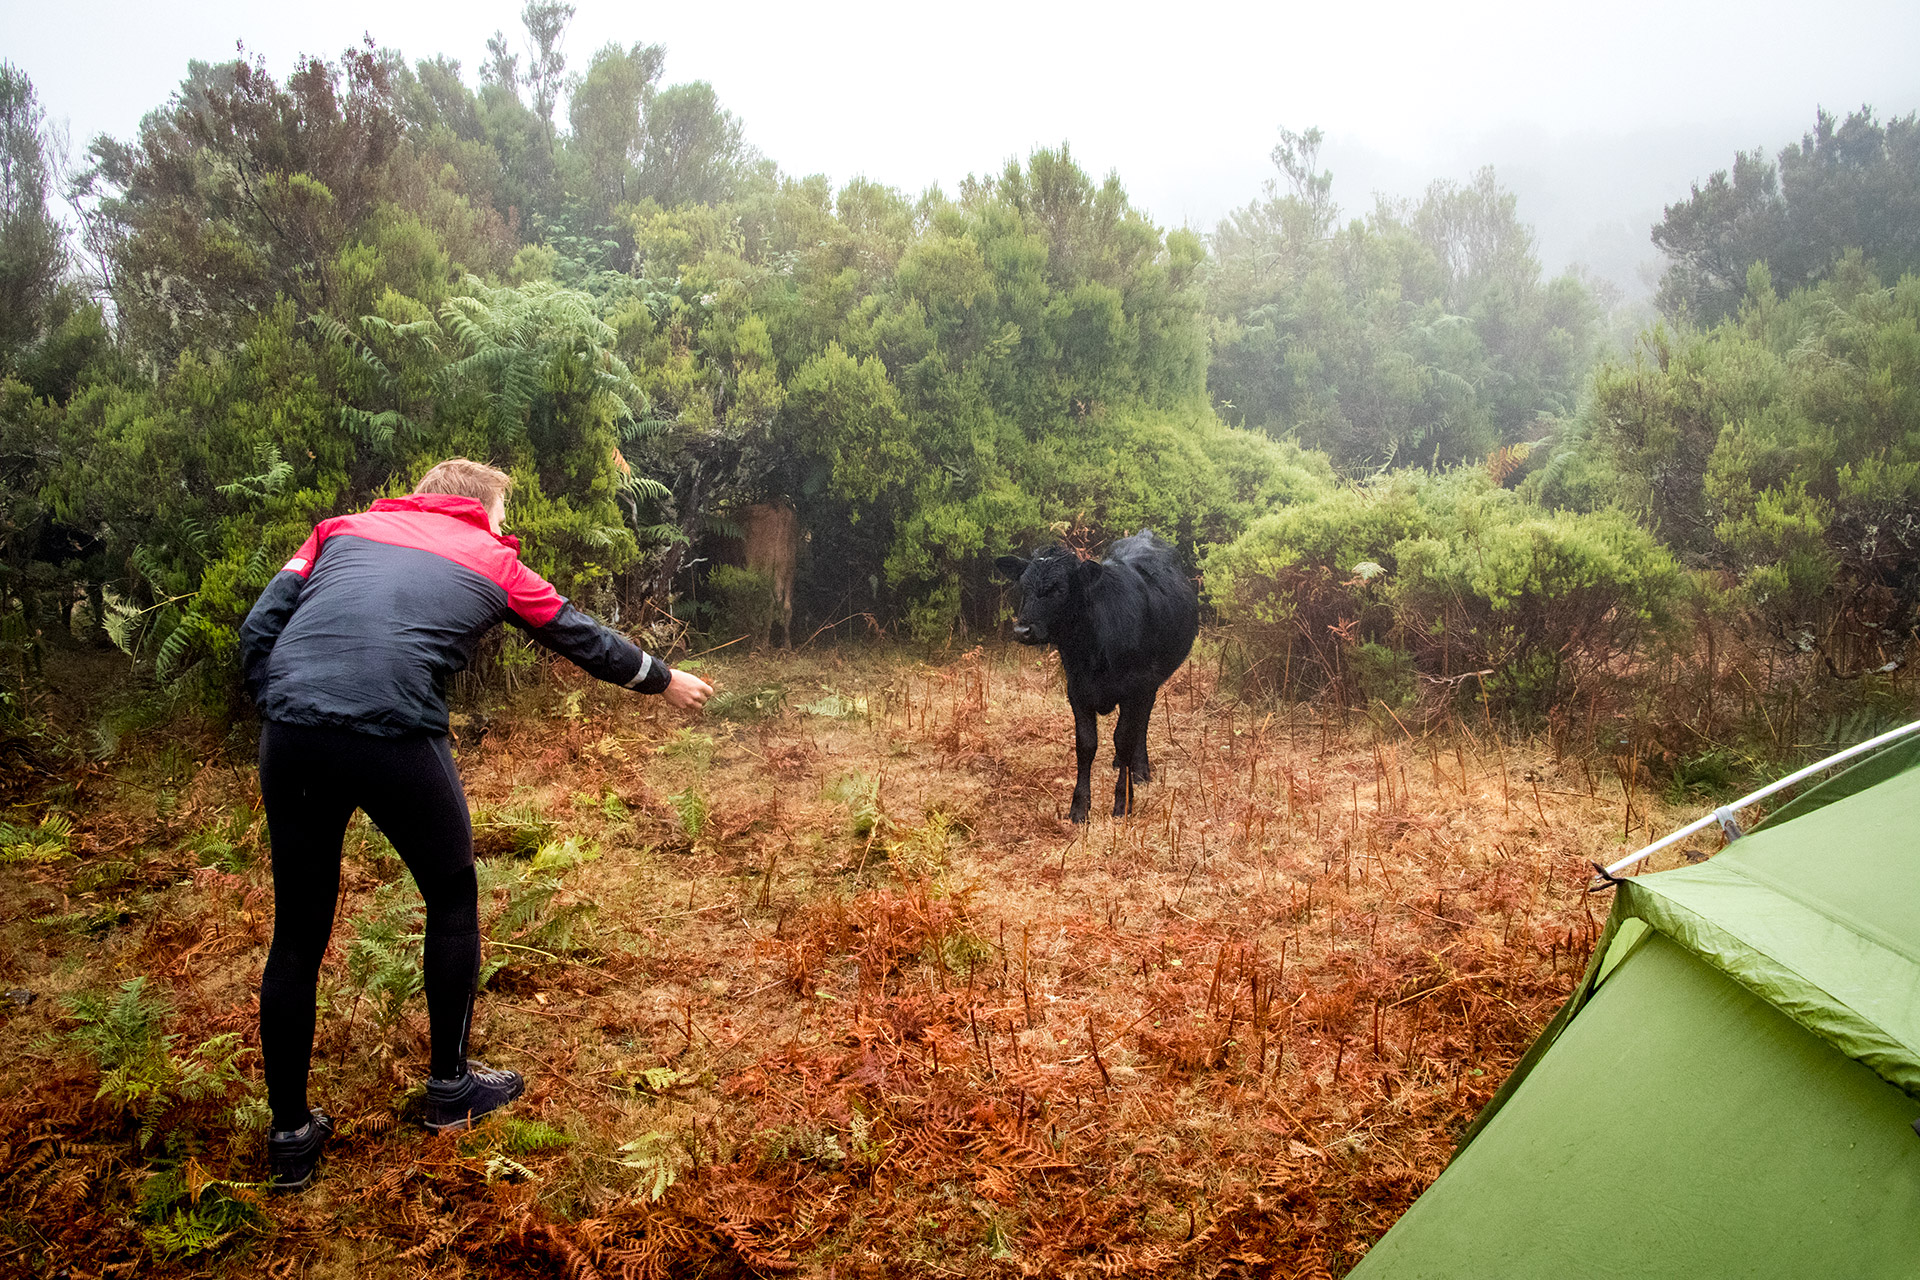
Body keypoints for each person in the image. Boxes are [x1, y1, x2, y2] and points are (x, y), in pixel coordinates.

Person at [239, 458, 711, 1192]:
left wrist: (286, 702)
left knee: (298, 932)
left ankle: (290, 1138)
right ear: (479, 511)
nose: (503, 531)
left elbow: (260, 626)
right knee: (452, 897)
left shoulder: (339, 531)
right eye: (500, 519)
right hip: (396, 729)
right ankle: (451, 1091)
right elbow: (576, 634)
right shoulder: (490, 555)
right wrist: (661, 678)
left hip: (291, 730)